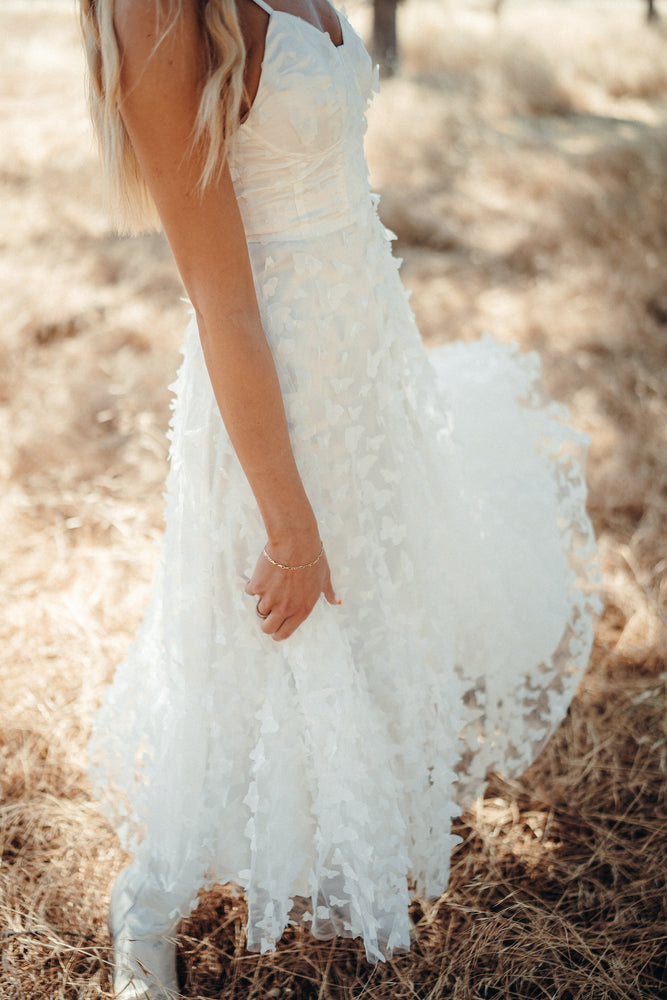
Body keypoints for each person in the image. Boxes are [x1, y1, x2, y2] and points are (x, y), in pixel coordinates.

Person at [80, 1, 602, 997]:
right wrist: (286, 519)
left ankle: (356, 846)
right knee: (264, 634)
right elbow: (220, 296)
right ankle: (148, 896)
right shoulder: (156, 15)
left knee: (371, 607)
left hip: (363, 346)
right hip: (270, 385)